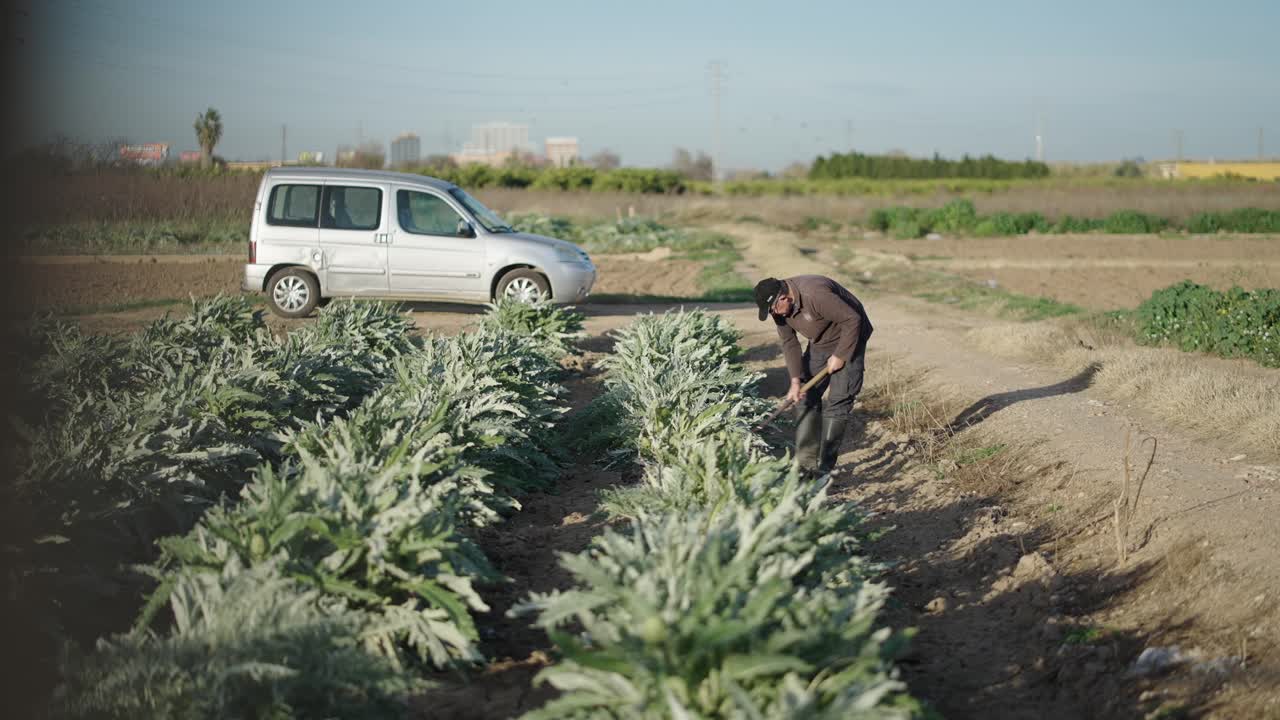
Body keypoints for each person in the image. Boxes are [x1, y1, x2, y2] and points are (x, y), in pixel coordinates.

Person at [754, 275, 873, 475]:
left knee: (838, 401)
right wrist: (795, 380)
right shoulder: (779, 310)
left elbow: (853, 319)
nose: (774, 314)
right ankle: (805, 465)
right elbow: (789, 343)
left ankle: (824, 467)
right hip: (820, 343)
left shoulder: (815, 294)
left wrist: (840, 355)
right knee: (805, 397)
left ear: (784, 298)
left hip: (850, 338)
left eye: (774, 308)